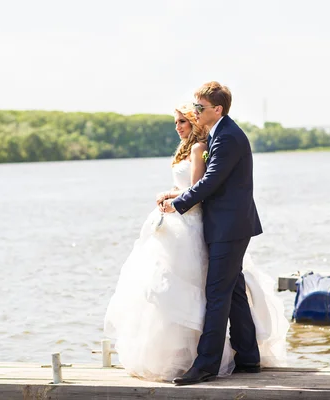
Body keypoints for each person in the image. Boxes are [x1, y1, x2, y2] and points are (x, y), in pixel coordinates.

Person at [104, 96, 288, 384]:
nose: (191, 117)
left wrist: (176, 204)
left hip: (227, 226)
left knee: (216, 295)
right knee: (233, 290)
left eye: (196, 111)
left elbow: (209, 182)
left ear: (217, 109)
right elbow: (199, 184)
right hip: (220, 225)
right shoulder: (217, 136)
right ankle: (249, 357)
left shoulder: (224, 138)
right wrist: (172, 196)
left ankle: (206, 365)